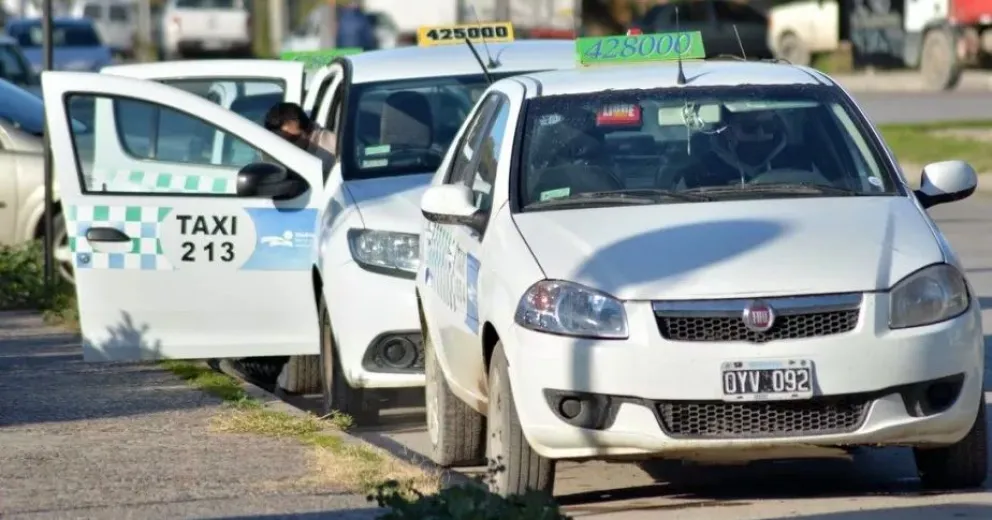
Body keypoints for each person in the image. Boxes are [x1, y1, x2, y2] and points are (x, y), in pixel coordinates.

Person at [263, 102, 336, 170]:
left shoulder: (332, 151)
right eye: (278, 140)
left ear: (309, 130)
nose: (285, 145)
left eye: (292, 139)